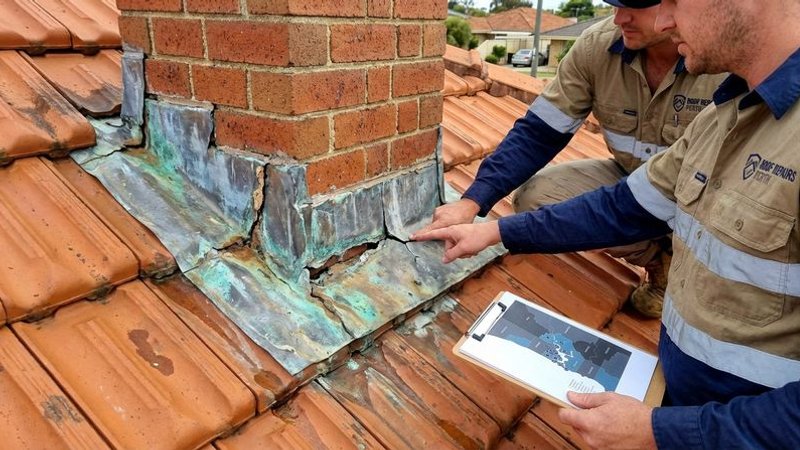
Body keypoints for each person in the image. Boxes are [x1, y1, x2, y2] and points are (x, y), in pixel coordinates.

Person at [414, 0, 800, 447]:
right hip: (692, 404)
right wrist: (493, 229)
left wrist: (661, 432)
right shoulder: (726, 112)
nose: (667, 19)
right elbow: (621, 209)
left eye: (676, 1)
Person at [416, 0, 726, 318]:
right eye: (614, 5)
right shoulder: (597, 45)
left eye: (633, 6)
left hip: (707, 202)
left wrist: (500, 233)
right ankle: (659, 260)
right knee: (536, 198)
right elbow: (539, 132)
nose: (620, 19)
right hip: (632, 182)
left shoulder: (720, 59)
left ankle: (689, 269)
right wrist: (472, 202)